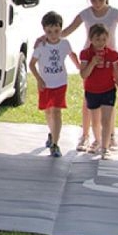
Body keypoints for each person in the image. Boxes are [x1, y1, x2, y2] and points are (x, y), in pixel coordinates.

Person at [44, 0, 118, 153]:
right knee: (88, 97)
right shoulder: (85, 14)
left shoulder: (116, 13)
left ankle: (110, 135)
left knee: (109, 97)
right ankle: (85, 135)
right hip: (89, 57)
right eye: (93, 0)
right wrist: (45, 38)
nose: (97, 3)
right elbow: (66, 31)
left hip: (109, 58)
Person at [29, 11, 80, 157]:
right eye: (49, 31)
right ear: (44, 31)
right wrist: (39, 79)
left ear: (61, 29)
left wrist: (79, 67)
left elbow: (72, 54)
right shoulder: (41, 45)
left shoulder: (65, 43)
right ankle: (52, 133)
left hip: (60, 82)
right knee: (48, 111)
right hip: (45, 84)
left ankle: (55, 144)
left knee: (57, 111)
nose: (53, 35)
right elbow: (32, 64)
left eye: (56, 31)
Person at [79, 23, 118, 160]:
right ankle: (98, 141)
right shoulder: (86, 54)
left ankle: (105, 147)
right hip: (92, 91)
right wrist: (92, 63)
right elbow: (83, 74)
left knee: (106, 120)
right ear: (91, 39)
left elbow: (117, 75)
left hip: (108, 90)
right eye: (97, 39)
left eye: (104, 39)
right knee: (95, 121)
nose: (101, 43)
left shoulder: (112, 54)